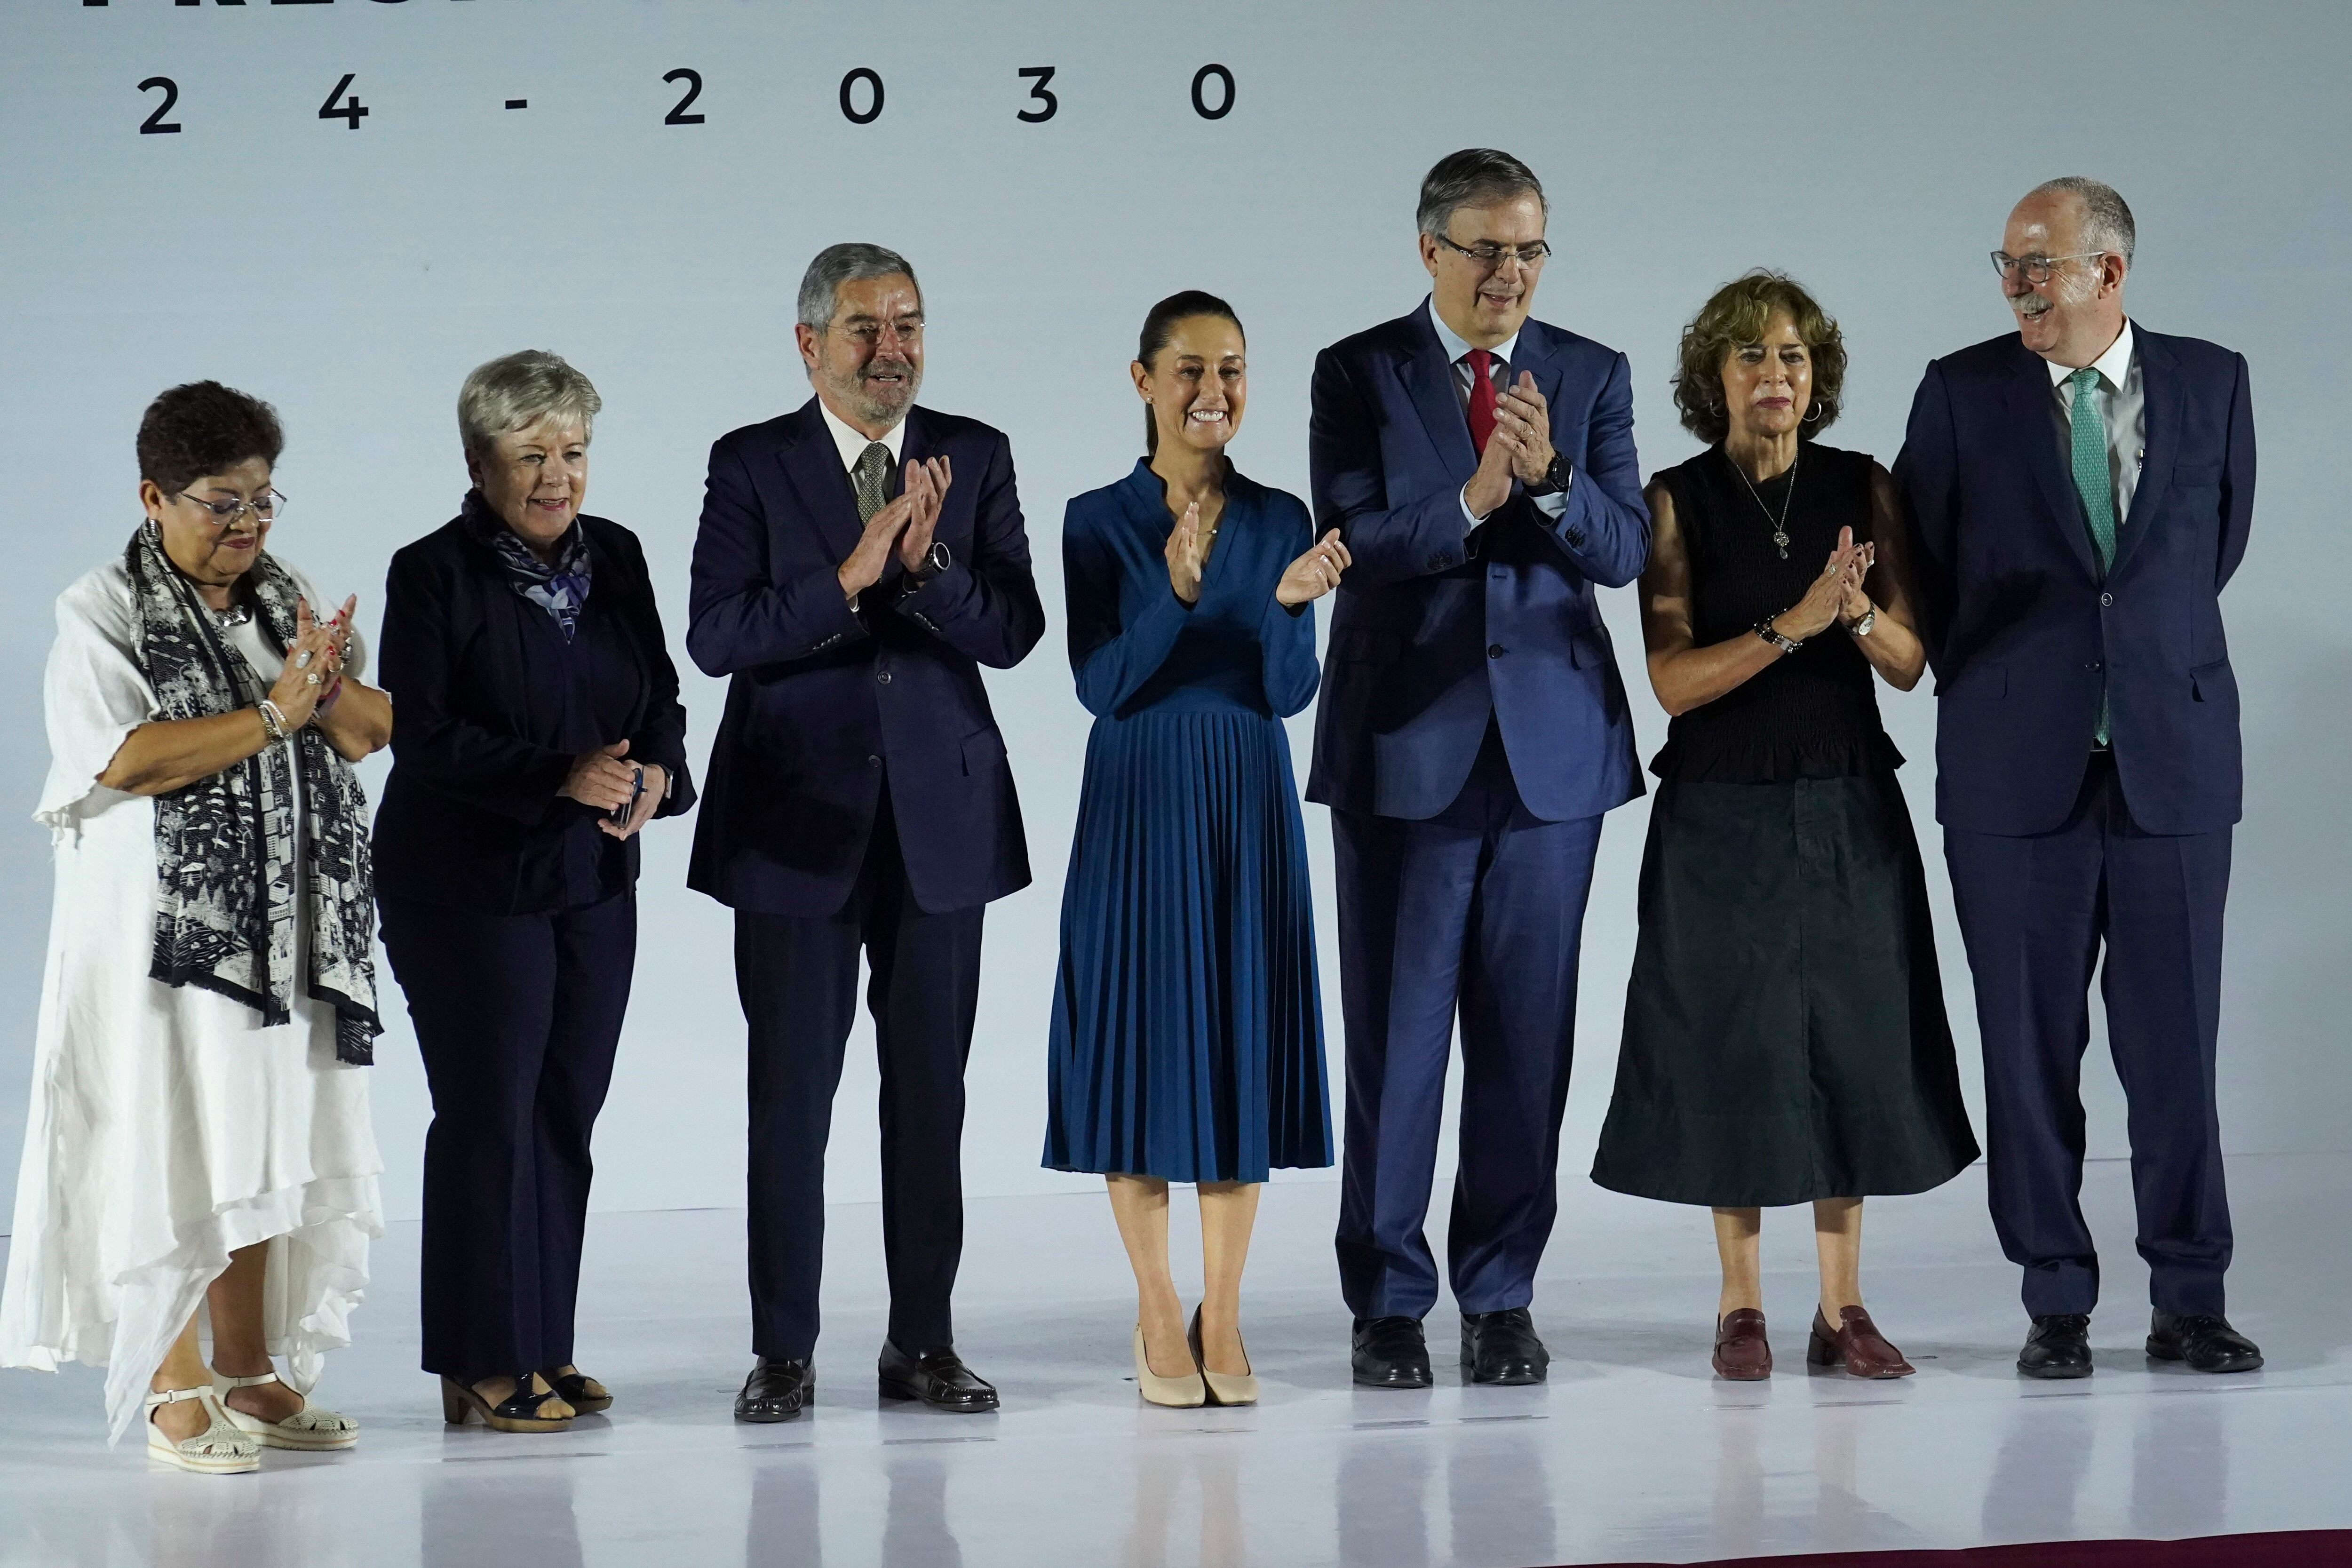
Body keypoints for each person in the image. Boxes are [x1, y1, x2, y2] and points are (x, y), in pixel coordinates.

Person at [1897, 178, 2261, 1379]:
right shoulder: (1962, 392)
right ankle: (2055, 1298)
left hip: (2171, 764)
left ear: (2109, 272)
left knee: (2176, 1051)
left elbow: (2211, 550)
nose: (2014, 287)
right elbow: (1920, 568)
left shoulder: (2212, 381)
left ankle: (2188, 1295)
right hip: (2013, 779)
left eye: (2036, 266)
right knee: (2026, 1049)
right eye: (2003, 264)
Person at [1589, 272, 1979, 1380]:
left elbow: (1909, 664)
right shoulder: (1674, 498)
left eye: (1795, 357)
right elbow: (1670, 680)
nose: (1776, 376)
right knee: (1735, 1047)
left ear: (1819, 378)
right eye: (1753, 356)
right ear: (1713, 376)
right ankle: (1741, 1305)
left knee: (1851, 1043)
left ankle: (1843, 1306)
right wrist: (1791, 622)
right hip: (1718, 809)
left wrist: (1850, 611)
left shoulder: (1864, 486)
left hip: (1847, 796)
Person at [1307, 149, 1650, 1389]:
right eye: (1486, 248)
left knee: (1527, 1040)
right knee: (1396, 1044)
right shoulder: (1357, 371)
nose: (1511, 272)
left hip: (1552, 758)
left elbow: (1625, 547)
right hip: (1408, 749)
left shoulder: (1592, 372)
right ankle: (1389, 1299)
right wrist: (1472, 493)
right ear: (1430, 252)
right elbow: (1351, 535)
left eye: (1530, 249)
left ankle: (1499, 1293)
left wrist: (1552, 482)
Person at [0, 382, 391, 1470]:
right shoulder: (102, 608)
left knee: (261, 1134)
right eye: (224, 503)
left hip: (282, 930)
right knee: (168, 1136)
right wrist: (274, 712)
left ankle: (254, 1371)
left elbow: (365, 729)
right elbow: (122, 757)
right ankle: (174, 1385)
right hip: (157, 941)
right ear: (154, 496)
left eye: (265, 500)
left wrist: (323, 680)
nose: (250, 526)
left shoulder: (282, 591)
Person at [688, 243, 1046, 1421]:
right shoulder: (749, 462)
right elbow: (718, 634)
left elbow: (1013, 631)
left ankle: (922, 1344)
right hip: (795, 821)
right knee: (791, 1097)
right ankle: (783, 1350)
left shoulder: (975, 452)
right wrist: (848, 575)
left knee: (927, 1094)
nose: (891, 350)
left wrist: (930, 559)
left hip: (938, 821)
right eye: (864, 330)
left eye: (909, 325)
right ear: (810, 345)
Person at [373, 350, 696, 1433]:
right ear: (479, 461)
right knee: (489, 1114)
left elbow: (661, 694)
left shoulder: (621, 556)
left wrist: (654, 772)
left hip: (593, 874)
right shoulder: (431, 572)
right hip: (466, 884)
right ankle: (479, 1356)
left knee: (565, 1109)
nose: (558, 476)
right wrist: (554, 773)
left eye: (573, 451)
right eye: (531, 455)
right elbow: (421, 737)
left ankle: (543, 1346)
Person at [1045, 292, 1349, 1407]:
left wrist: (1282, 601)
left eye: (1231, 368)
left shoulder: (1279, 515)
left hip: (1243, 791)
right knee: (1138, 1037)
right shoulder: (1093, 518)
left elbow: (1286, 690)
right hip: (1138, 793)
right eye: (1187, 369)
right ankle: (1158, 1306)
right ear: (1142, 381)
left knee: (1234, 1036)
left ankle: (1225, 1308)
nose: (1211, 390)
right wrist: (1174, 593)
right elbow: (1099, 687)